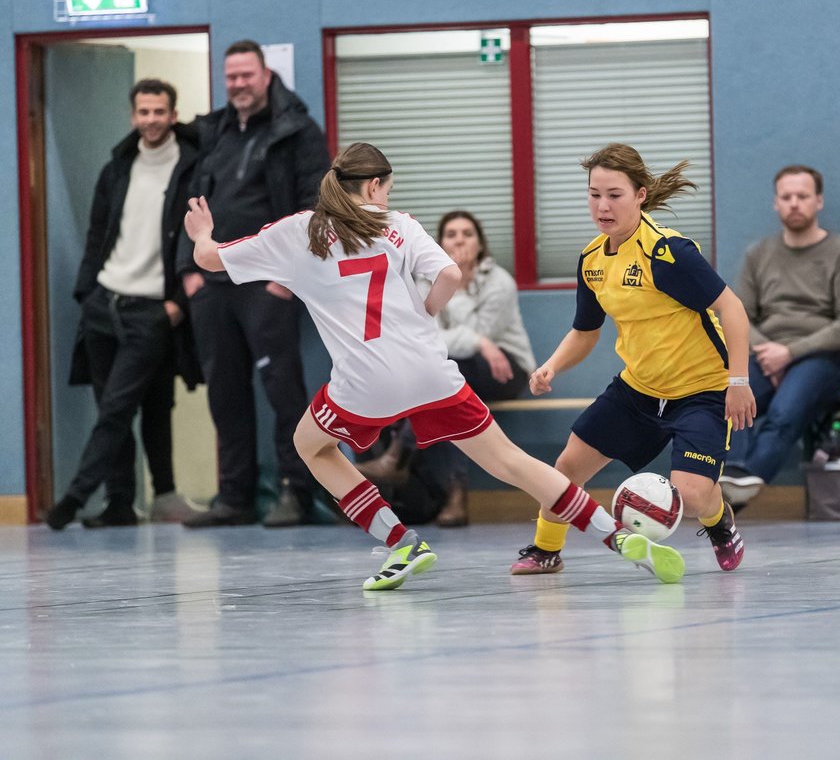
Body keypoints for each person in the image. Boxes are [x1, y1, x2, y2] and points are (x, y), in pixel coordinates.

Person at [183, 142, 685, 588]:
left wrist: (203, 233)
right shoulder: (399, 225)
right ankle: (616, 539)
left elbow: (211, 260)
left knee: (309, 446)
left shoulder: (300, 232)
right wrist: (424, 313)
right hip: (430, 373)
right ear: (376, 185)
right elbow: (448, 273)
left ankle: (401, 542)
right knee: (513, 463)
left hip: (362, 385)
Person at [509, 143, 756, 575]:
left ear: (640, 195)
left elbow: (732, 309)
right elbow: (586, 331)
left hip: (701, 391)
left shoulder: (669, 254)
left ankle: (720, 523)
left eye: (614, 195)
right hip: (639, 390)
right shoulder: (592, 259)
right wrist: (552, 365)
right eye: (594, 194)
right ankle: (546, 549)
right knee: (566, 466)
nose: (602, 206)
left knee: (694, 496)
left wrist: (738, 382)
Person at [177, 40, 331, 528]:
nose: (238, 85)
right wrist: (189, 273)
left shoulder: (298, 131)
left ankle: (295, 492)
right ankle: (235, 496)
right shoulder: (214, 133)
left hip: (268, 283)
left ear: (266, 76)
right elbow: (189, 204)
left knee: (284, 390)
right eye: (231, 77)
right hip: (213, 283)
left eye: (246, 75)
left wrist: (289, 281)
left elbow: (317, 205)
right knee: (224, 392)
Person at [46, 79, 203, 530]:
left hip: (151, 311)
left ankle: (74, 498)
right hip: (103, 306)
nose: (150, 120)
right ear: (132, 116)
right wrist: (87, 294)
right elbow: (97, 235)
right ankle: (119, 502)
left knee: (118, 408)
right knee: (123, 406)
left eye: (159, 112)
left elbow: (202, 235)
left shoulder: (192, 167)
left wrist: (175, 305)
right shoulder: (117, 167)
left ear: (173, 115)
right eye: (143, 112)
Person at [356, 210, 537, 527]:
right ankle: (454, 494)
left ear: (480, 243)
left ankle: (399, 456)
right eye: (452, 235)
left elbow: (485, 333)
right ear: (439, 244)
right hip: (459, 367)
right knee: (448, 388)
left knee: (450, 373)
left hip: (506, 367)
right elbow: (428, 337)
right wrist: (474, 339)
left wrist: (463, 286)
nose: (460, 240)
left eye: (468, 234)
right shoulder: (426, 280)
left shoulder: (499, 282)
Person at [718, 165, 840, 509]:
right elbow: (739, 316)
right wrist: (768, 352)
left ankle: (731, 500)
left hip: (825, 357)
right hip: (764, 353)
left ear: (819, 201)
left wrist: (790, 353)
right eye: (786, 197)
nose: (794, 203)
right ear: (776, 204)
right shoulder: (758, 254)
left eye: (802, 196)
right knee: (733, 396)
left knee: (785, 411)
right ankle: (731, 477)